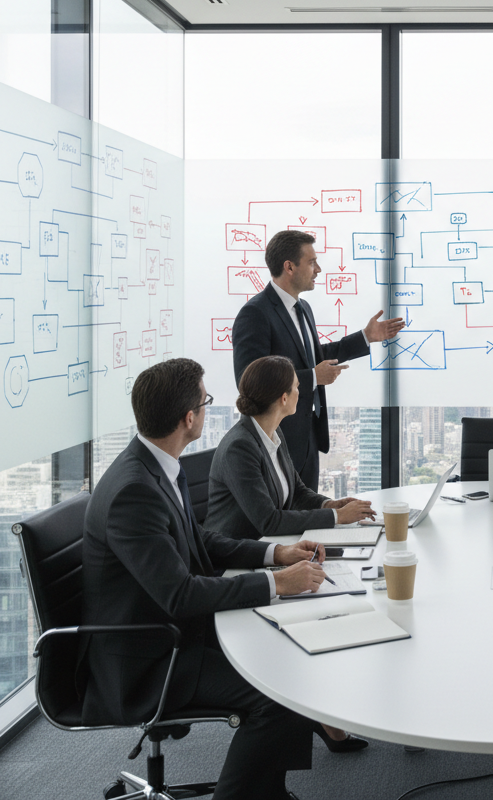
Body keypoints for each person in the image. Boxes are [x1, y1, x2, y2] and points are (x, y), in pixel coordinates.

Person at [78, 358, 349, 800]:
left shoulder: (154, 465)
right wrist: (277, 584)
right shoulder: (135, 490)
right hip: (147, 661)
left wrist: (274, 553)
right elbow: (180, 594)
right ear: (189, 418)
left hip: (170, 633)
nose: (206, 408)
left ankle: (267, 788)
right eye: (204, 401)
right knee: (280, 690)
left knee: (288, 655)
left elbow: (199, 539)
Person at [232, 229, 405, 491]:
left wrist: (366, 337)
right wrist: (312, 377)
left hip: (309, 438)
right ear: (289, 267)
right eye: (312, 262)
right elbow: (248, 379)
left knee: (307, 517)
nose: (319, 269)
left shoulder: (303, 308)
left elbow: (313, 356)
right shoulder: (255, 314)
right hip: (278, 439)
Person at [206, 355, 376, 539]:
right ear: (284, 398)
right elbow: (269, 522)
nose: (300, 391)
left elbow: (297, 493)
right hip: (234, 557)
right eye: (296, 386)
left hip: (270, 545)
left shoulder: (274, 431)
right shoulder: (239, 448)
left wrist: (329, 505)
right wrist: (338, 517)